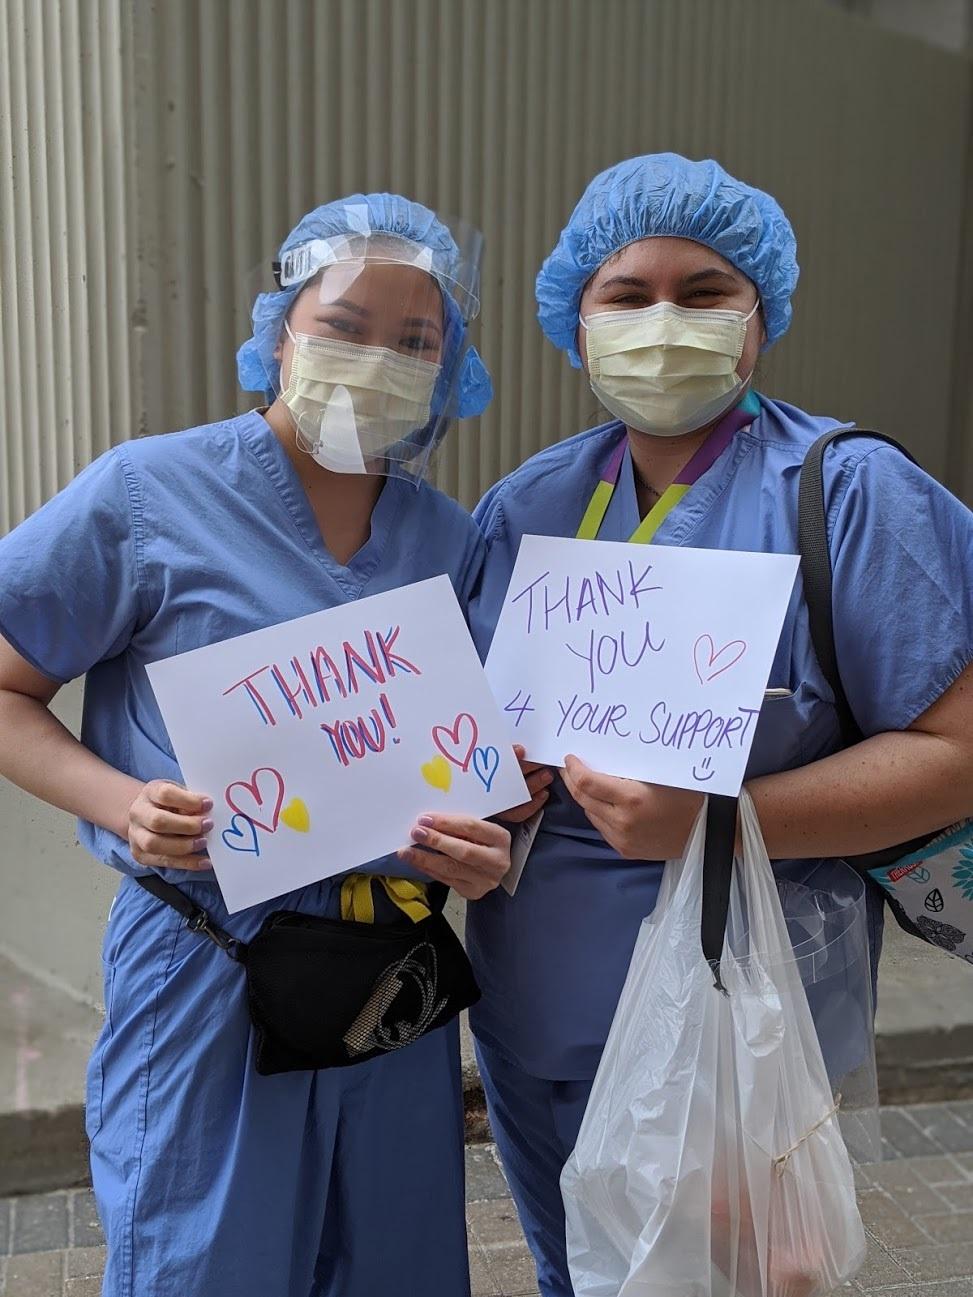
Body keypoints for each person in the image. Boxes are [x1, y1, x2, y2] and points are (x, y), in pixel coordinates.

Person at [0, 193, 536, 1297]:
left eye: (415, 340)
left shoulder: (450, 539)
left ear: (450, 371)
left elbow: (482, 759)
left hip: (393, 972)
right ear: (279, 329)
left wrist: (494, 842)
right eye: (342, 322)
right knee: (208, 1267)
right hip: (208, 964)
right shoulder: (149, 493)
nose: (375, 357)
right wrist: (116, 802)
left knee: (392, 1268)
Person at [468, 152, 973, 1297]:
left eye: (703, 292)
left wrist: (718, 818)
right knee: (572, 1275)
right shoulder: (528, 508)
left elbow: (957, 757)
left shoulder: (845, 492)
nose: (662, 323)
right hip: (534, 1012)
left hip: (740, 1023)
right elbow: (476, 735)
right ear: (574, 322)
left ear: (760, 317)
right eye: (625, 296)